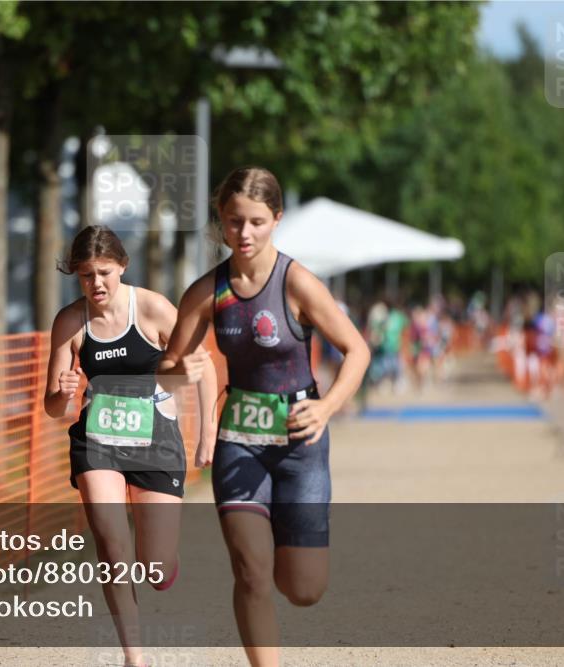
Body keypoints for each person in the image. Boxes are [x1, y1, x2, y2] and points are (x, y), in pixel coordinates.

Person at [159, 167, 369, 666]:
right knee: (251, 573)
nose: (244, 233)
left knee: (304, 588)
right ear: (221, 220)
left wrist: (326, 406)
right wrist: (180, 368)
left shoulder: (296, 282)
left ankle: (291, 542)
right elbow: (167, 368)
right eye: (234, 222)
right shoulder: (207, 291)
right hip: (240, 443)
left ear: (276, 219)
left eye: (256, 221)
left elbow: (356, 350)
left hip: (301, 444)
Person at [43, 225, 218, 667]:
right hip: (97, 440)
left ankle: (163, 564)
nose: (96, 283)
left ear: (122, 266)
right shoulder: (70, 322)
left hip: (156, 438)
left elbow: (204, 366)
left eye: (103, 272)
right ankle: (133, 656)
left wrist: (208, 436)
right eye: (85, 275)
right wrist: (62, 393)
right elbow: (52, 408)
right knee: (110, 541)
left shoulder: (154, 310)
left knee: (154, 568)